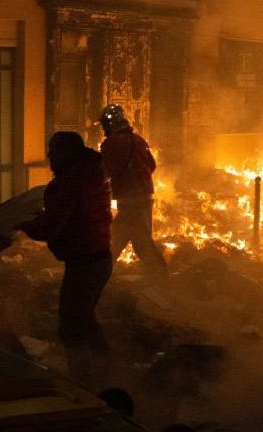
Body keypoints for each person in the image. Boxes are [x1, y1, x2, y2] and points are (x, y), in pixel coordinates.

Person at [19, 131, 114, 388]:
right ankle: (107, 369)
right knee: (84, 317)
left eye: (53, 151)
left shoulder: (69, 183)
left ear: (65, 153)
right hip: (100, 257)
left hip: (85, 263)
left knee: (71, 328)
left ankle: (84, 386)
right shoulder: (93, 172)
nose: (49, 156)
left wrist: (21, 223)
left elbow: (50, 227)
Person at [98, 104, 167, 275]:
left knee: (118, 243)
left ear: (108, 125)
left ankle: (99, 280)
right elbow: (152, 165)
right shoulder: (139, 140)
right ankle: (160, 279)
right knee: (140, 243)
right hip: (145, 198)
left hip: (129, 202)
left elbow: (103, 173)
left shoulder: (110, 144)